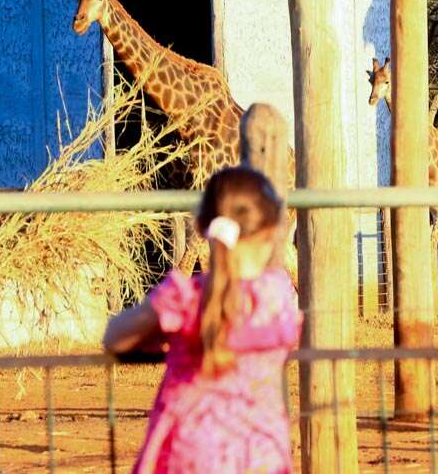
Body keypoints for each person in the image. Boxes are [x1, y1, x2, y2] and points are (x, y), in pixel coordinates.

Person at [103, 166, 302, 474]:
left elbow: (114, 336)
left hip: (188, 455)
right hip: (262, 457)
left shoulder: (186, 297)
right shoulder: (277, 296)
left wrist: (160, 325)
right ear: (272, 231)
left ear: (200, 226)